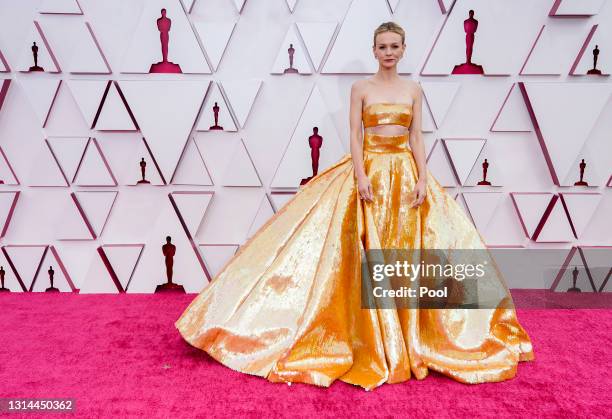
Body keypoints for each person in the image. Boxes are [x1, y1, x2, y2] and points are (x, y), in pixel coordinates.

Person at [175, 21, 534, 390]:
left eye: (395, 45)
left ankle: (410, 332)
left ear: (403, 48)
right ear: (374, 50)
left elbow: (417, 136)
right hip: (371, 174)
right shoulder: (361, 88)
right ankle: (371, 335)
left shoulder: (413, 90)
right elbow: (355, 133)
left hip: (406, 175)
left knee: (410, 250)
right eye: (382, 46)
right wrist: (361, 174)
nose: (389, 52)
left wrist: (424, 177)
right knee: (362, 250)